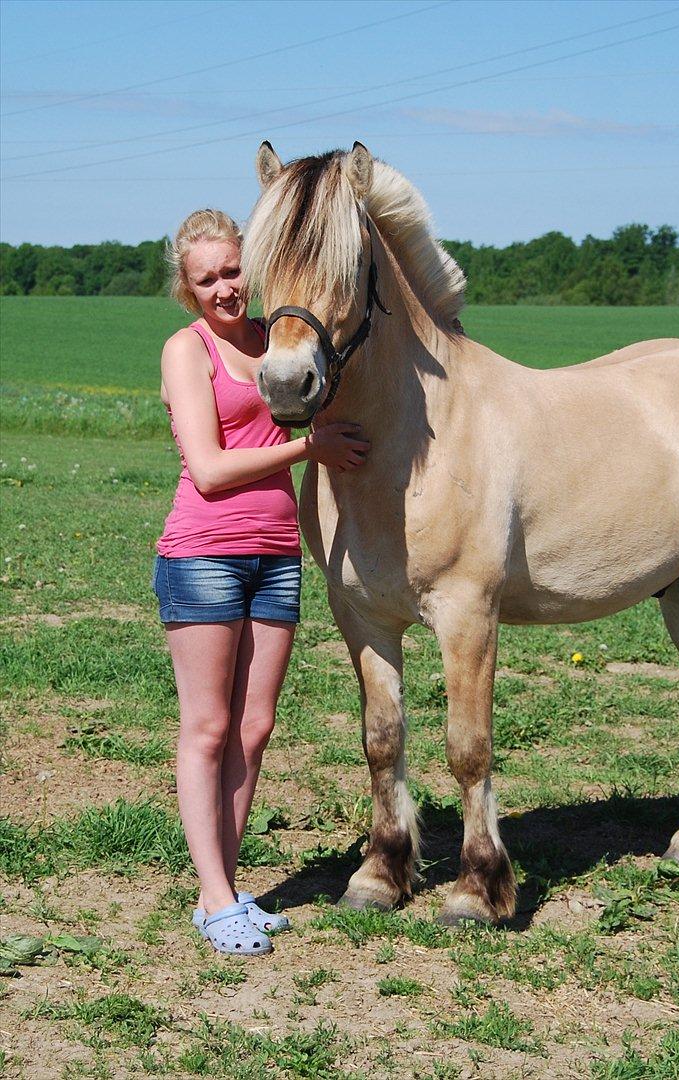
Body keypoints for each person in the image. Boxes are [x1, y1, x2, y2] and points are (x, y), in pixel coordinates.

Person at [154, 209, 368, 955]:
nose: (225, 287)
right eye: (207, 278)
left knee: (254, 728)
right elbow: (209, 470)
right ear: (188, 289)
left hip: (277, 554)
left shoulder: (275, 340)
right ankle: (214, 901)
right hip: (204, 555)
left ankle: (229, 888)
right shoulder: (189, 351)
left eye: (233, 270)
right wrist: (310, 448)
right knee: (208, 728)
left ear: (255, 264)